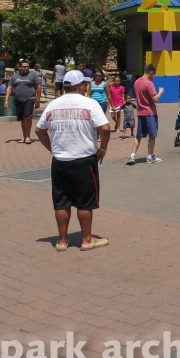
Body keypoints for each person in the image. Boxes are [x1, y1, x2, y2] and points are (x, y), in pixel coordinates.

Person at [35, 70, 110, 251]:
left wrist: (52, 149)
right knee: (85, 201)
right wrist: (103, 148)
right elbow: (105, 128)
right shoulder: (90, 104)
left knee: (61, 201)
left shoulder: (53, 105)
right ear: (80, 86)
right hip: (84, 160)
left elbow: (39, 130)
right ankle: (87, 239)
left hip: (60, 160)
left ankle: (62, 241)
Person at [129, 63, 164, 165]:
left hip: (140, 112)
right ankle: (150, 156)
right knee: (152, 135)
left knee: (138, 136)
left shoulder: (136, 82)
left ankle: (132, 156)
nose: (154, 76)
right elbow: (155, 98)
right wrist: (160, 92)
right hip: (149, 112)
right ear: (151, 72)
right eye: (154, 74)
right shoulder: (149, 84)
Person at [5, 60, 43, 144]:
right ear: (19, 67)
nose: (26, 68)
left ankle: (28, 137)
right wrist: (6, 100)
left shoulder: (33, 76)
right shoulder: (14, 77)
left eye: (28, 67)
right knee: (22, 119)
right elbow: (9, 88)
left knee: (27, 117)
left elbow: (38, 87)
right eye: (24, 66)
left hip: (29, 99)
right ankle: (24, 136)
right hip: (18, 100)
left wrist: (37, 99)